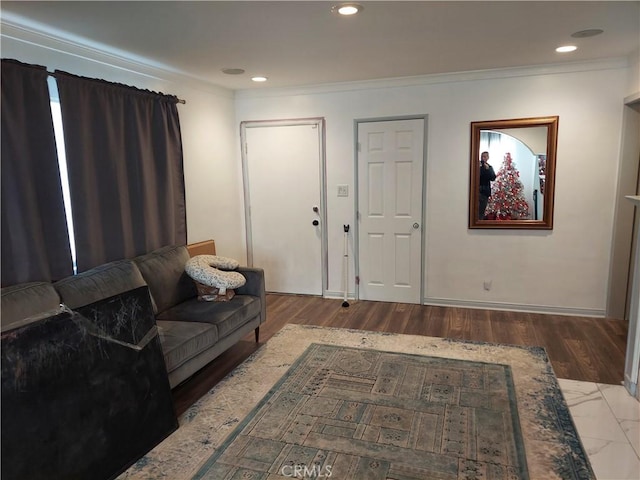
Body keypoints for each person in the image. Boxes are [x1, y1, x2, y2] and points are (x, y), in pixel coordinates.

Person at [478, 151, 496, 219]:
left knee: (481, 211)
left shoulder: (489, 167)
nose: (483, 158)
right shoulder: (476, 166)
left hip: (485, 192)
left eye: (485, 156)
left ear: (488, 157)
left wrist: (487, 169)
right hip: (476, 191)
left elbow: (493, 178)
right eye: (482, 156)